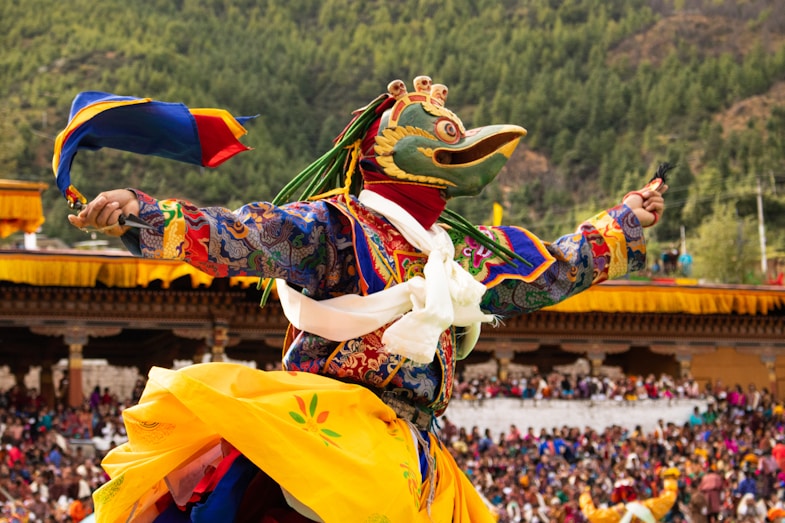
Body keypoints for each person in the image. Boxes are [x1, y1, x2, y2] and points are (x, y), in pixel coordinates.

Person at [67, 76, 667, 523]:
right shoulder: (335, 226)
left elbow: (545, 271)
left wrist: (621, 222)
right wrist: (143, 211)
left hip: (416, 441)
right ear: (389, 149)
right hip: (338, 430)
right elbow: (242, 234)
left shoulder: (454, 250)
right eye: (445, 136)